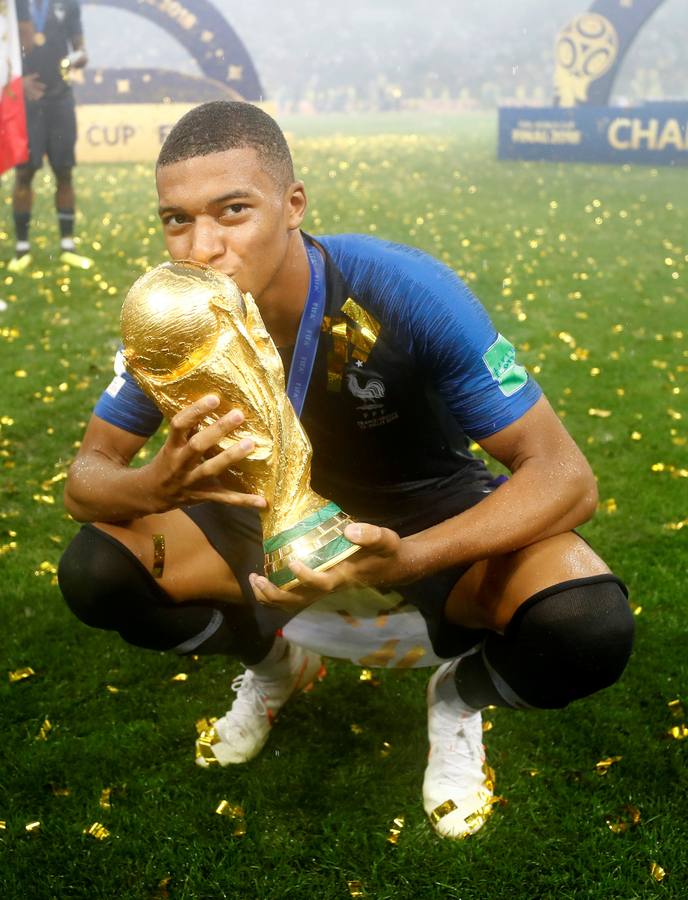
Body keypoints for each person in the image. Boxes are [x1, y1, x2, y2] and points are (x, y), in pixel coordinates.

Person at [57, 100, 634, 840]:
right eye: (176, 219)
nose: (201, 246)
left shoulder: (402, 289)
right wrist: (152, 487)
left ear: (294, 204)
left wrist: (415, 554)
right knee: (98, 571)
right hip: (253, 515)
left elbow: (565, 476)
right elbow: (86, 479)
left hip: (424, 506)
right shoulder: (177, 317)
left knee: (585, 625)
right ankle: (276, 665)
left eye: (233, 211)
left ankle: (458, 698)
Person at [8, 0, 91, 273]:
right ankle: (22, 249)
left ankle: (67, 246)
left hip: (60, 100)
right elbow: (5, 45)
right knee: (24, 174)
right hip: (26, 102)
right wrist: (18, 82)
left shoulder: (67, 4)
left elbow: (80, 49)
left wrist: (75, 58)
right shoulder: (13, 4)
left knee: (64, 173)